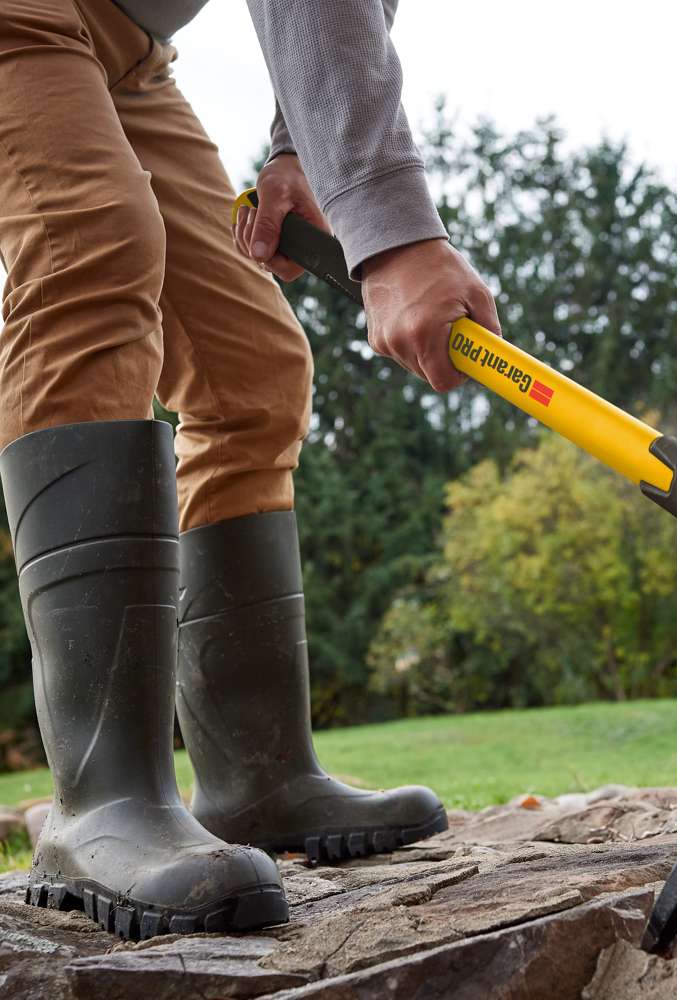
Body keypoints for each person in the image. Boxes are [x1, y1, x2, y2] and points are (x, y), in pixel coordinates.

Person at [0, 0, 500, 940]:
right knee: (90, 249)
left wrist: (299, 146)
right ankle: (102, 803)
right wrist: (393, 232)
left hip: (128, 49)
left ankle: (256, 775)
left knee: (251, 368)